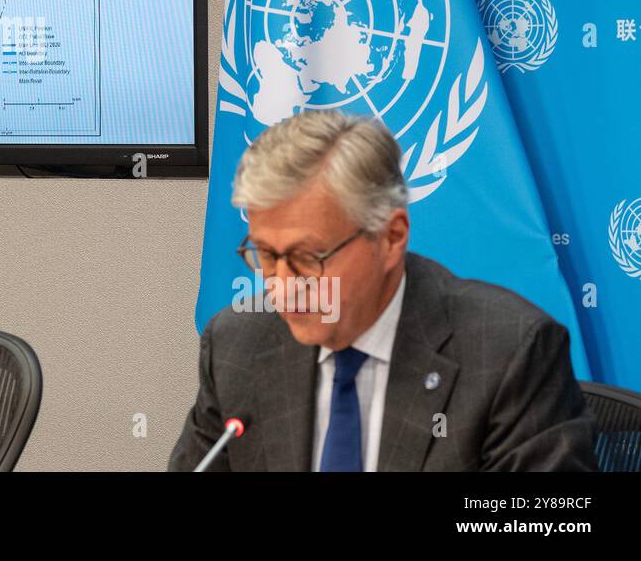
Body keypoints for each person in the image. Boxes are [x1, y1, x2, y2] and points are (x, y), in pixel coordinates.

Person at [169, 110, 596, 471]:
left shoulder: (508, 353)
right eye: (264, 254)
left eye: (308, 258)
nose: (282, 286)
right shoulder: (236, 345)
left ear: (391, 237)